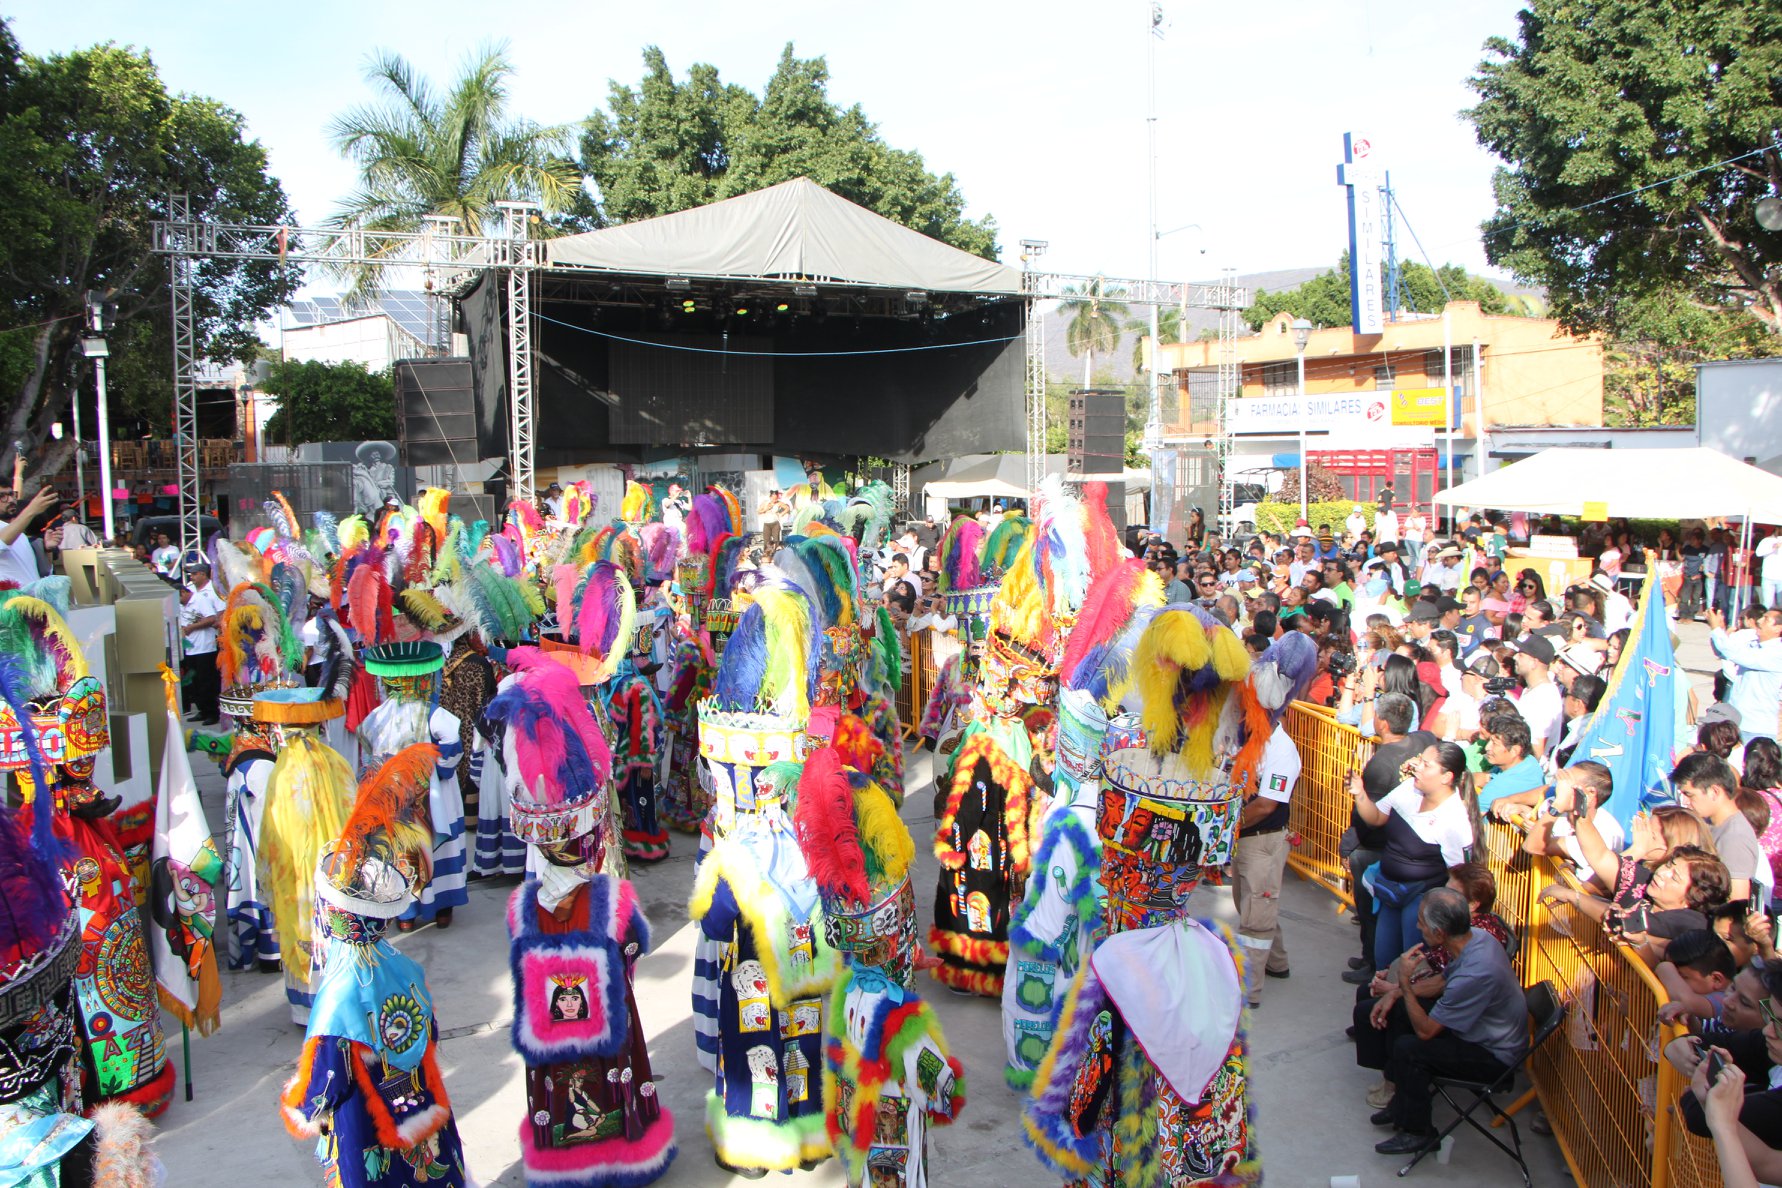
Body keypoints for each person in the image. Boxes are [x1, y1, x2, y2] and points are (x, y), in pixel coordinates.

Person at [1371, 887, 1529, 1156]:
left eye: (1421, 921)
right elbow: (1442, 981)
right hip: (1478, 1030)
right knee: (1401, 1011)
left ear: (1439, 933)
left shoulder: (1476, 972)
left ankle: (1418, 1132)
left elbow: (1426, 1032)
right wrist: (1397, 992)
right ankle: (1401, 1102)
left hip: (1493, 1055)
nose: (1417, 925)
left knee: (1410, 1051)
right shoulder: (1474, 937)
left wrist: (1406, 985)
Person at [1349, 742, 1476, 976]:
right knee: (1384, 961)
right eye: (1420, 760)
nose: (1416, 767)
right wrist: (1360, 795)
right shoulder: (1408, 789)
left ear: (1446, 776)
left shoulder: (1454, 819)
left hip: (1420, 901)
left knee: (1413, 969)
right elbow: (1376, 817)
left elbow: (1459, 876)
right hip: (1391, 892)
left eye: (1426, 765)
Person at [1340, 693, 1438, 985]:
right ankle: (1370, 958)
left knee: (1370, 911)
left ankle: (1373, 965)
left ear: (1381, 722)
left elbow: (1370, 815)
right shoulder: (1424, 740)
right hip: (1396, 847)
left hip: (1375, 848)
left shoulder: (1381, 763)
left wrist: (1350, 845)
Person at [1676, 752, 1765, 905]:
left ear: (1714, 792)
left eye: (1689, 795)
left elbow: (1736, 903)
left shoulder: (1735, 837)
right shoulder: (1711, 823)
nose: (1685, 802)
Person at [1708, 606, 1782, 744]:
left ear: (1778, 628)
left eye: (1766, 619)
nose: (1759, 621)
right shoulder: (1752, 645)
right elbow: (1723, 652)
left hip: (1756, 726)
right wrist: (1720, 630)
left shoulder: (1777, 653)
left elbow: (1736, 654)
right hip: (1735, 720)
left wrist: (1716, 630)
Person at [180, 560, 224, 726]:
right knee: (195, 681)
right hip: (191, 646)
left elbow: (218, 614)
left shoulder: (213, 590)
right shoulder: (190, 591)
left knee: (208, 680)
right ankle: (202, 709)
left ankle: (212, 711)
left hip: (207, 641)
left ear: (203, 574)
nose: (191, 577)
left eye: (194, 574)